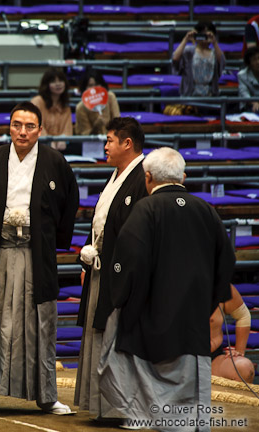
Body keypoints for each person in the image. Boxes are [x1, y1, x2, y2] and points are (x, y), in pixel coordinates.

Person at [98, 147, 235, 430]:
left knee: (124, 363)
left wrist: (121, 298)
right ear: (182, 177)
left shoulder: (145, 210)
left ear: (148, 178)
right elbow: (227, 261)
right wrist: (212, 304)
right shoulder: (206, 210)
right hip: (194, 315)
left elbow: (126, 262)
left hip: (150, 313)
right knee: (189, 381)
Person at [0, 101, 79, 415]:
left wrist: (53, 242)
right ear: (9, 126)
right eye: (16, 125)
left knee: (40, 323)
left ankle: (46, 396)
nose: (22, 132)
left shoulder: (56, 162)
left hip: (36, 253)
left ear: (40, 129)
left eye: (29, 126)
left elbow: (69, 207)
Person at [75, 117, 147, 419]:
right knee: (99, 333)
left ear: (126, 143)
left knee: (116, 336)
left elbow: (135, 233)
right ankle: (105, 406)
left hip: (123, 275)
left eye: (109, 141)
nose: (104, 146)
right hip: (102, 269)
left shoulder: (142, 177)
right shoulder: (118, 175)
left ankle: (122, 408)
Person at [211, 284, 255, 383]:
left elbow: (243, 316)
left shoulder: (221, 286)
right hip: (178, 358)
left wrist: (239, 351)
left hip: (211, 357)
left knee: (244, 368)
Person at [172, 21, 225, 98]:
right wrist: (186, 39)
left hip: (210, 95)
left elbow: (222, 63)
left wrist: (214, 42)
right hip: (190, 94)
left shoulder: (215, 52)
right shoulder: (188, 51)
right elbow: (175, 59)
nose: (204, 36)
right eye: (201, 33)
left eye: (206, 34)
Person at [30, 67, 73, 151]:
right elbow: (35, 126)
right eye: (53, 81)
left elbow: (68, 130)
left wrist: (62, 139)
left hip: (59, 147)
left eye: (61, 80)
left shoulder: (65, 106)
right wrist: (48, 141)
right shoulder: (37, 102)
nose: (58, 84)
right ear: (46, 85)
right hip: (40, 144)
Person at [75, 69, 120, 136]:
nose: (94, 89)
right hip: (91, 144)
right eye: (90, 85)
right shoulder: (80, 107)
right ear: (84, 87)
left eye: (96, 84)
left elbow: (117, 123)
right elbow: (85, 135)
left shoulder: (110, 97)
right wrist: (96, 127)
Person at [238, 47, 259, 113]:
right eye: (254, 60)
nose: (258, 62)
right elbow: (244, 94)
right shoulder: (242, 75)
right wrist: (254, 102)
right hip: (250, 105)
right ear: (249, 63)